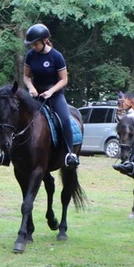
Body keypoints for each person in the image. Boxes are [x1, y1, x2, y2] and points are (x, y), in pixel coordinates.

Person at [22, 23, 79, 168]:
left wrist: (51, 91)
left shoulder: (56, 56)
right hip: (36, 94)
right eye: (31, 44)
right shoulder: (30, 56)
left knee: (65, 120)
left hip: (54, 95)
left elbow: (64, 80)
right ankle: (5, 152)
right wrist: (31, 88)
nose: (32, 47)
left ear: (44, 40)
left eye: (35, 44)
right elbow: (26, 77)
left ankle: (69, 154)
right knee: (17, 114)